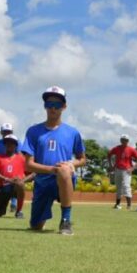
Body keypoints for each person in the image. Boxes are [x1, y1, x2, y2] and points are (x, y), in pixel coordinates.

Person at [21, 86, 86, 235]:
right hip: (42, 181)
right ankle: (39, 218)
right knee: (36, 226)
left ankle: (65, 220)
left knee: (64, 170)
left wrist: (71, 164)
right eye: (49, 104)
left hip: (64, 178)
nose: (53, 108)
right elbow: (28, 164)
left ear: (64, 107)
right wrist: (52, 170)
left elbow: (82, 159)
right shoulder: (33, 131)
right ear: (44, 106)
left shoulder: (72, 132)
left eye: (57, 104)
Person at [0, 135, 35, 218]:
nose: (9, 144)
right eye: (7, 142)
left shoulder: (22, 159)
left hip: (17, 186)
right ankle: (0, 209)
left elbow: (34, 173)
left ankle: (19, 211)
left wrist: (22, 180)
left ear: (16, 145)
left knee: (20, 185)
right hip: (3, 187)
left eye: (12, 143)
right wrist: (7, 179)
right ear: (5, 144)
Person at [108, 135, 137, 210]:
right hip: (117, 169)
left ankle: (129, 205)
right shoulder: (116, 148)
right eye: (123, 140)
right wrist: (111, 165)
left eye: (126, 140)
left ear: (128, 141)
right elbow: (109, 154)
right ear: (120, 140)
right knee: (118, 187)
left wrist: (133, 168)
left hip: (127, 170)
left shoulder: (131, 149)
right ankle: (117, 204)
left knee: (126, 186)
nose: (124, 141)